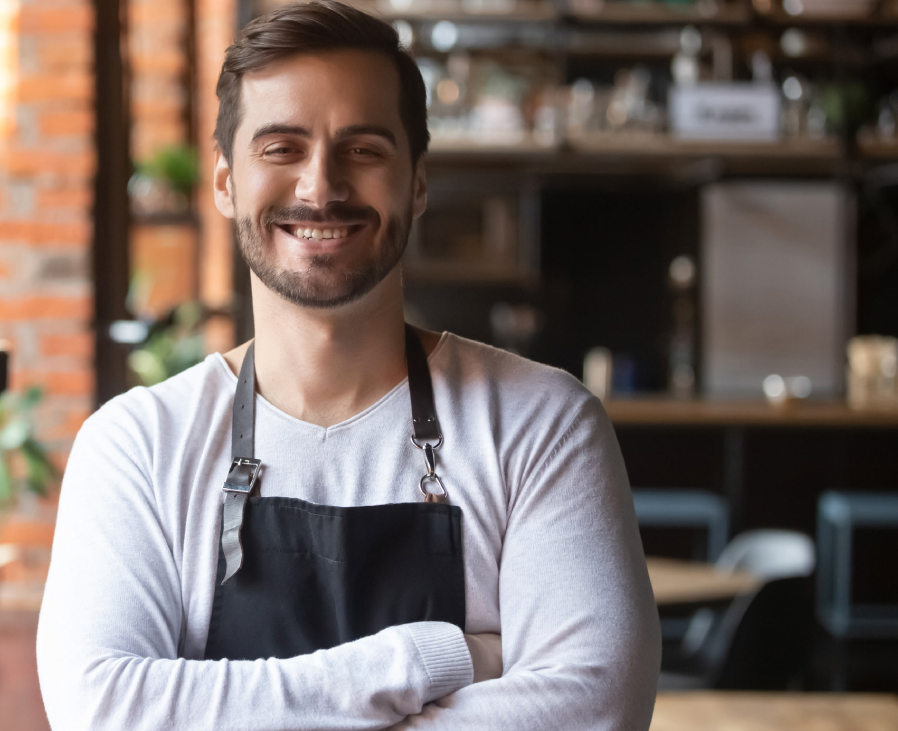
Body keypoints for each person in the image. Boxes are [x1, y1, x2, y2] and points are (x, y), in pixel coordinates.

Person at [36, 2, 661, 728]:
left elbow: (596, 710)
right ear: (225, 182)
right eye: (281, 148)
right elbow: (102, 710)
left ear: (418, 183)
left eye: (363, 149)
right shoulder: (139, 446)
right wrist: (433, 658)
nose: (320, 187)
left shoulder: (540, 423)